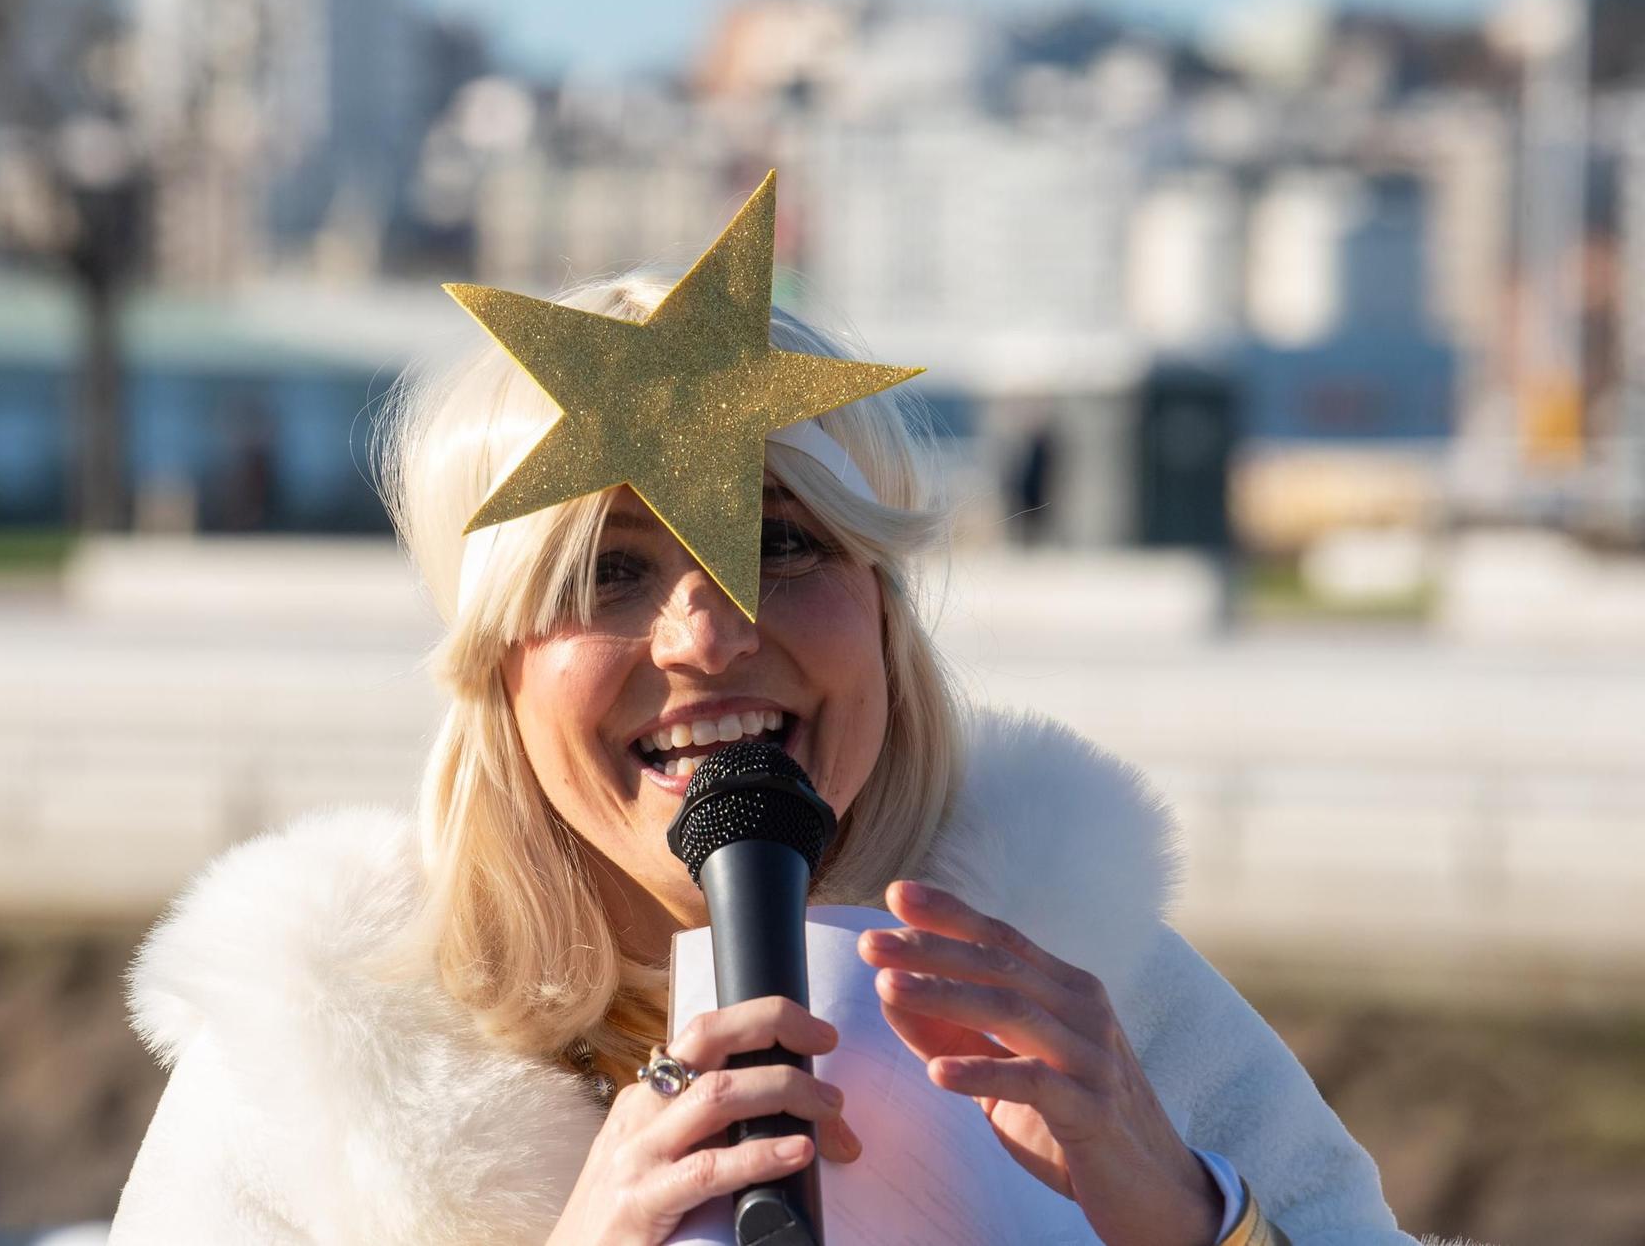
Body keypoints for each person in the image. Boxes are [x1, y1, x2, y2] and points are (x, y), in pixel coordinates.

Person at [111, 182, 1464, 1246]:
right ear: (492, 664)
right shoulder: (313, 1075)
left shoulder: (1094, 994)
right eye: (607, 573)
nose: (706, 638)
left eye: (785, 548)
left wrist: (1194, 1221)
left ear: (887, 613)